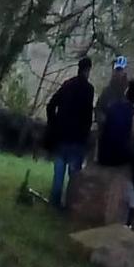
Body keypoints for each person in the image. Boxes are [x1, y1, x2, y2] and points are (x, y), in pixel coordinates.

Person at [43, 55, 95, 209]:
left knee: (59, 172)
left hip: (62, 135)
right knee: (74, 176)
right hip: (77, 138)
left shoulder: (67, 85)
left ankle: (54, 202)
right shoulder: (88, 89)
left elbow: (51, 105)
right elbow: (87, 115)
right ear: (88, 70)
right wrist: (86, 133)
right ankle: (70, 205)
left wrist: (54, 124)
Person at [96, 73, 134, 226]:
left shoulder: (113, 106)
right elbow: (130, 137)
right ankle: (132, 204)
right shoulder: (133, 114)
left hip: (103, 154)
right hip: (117, 155)